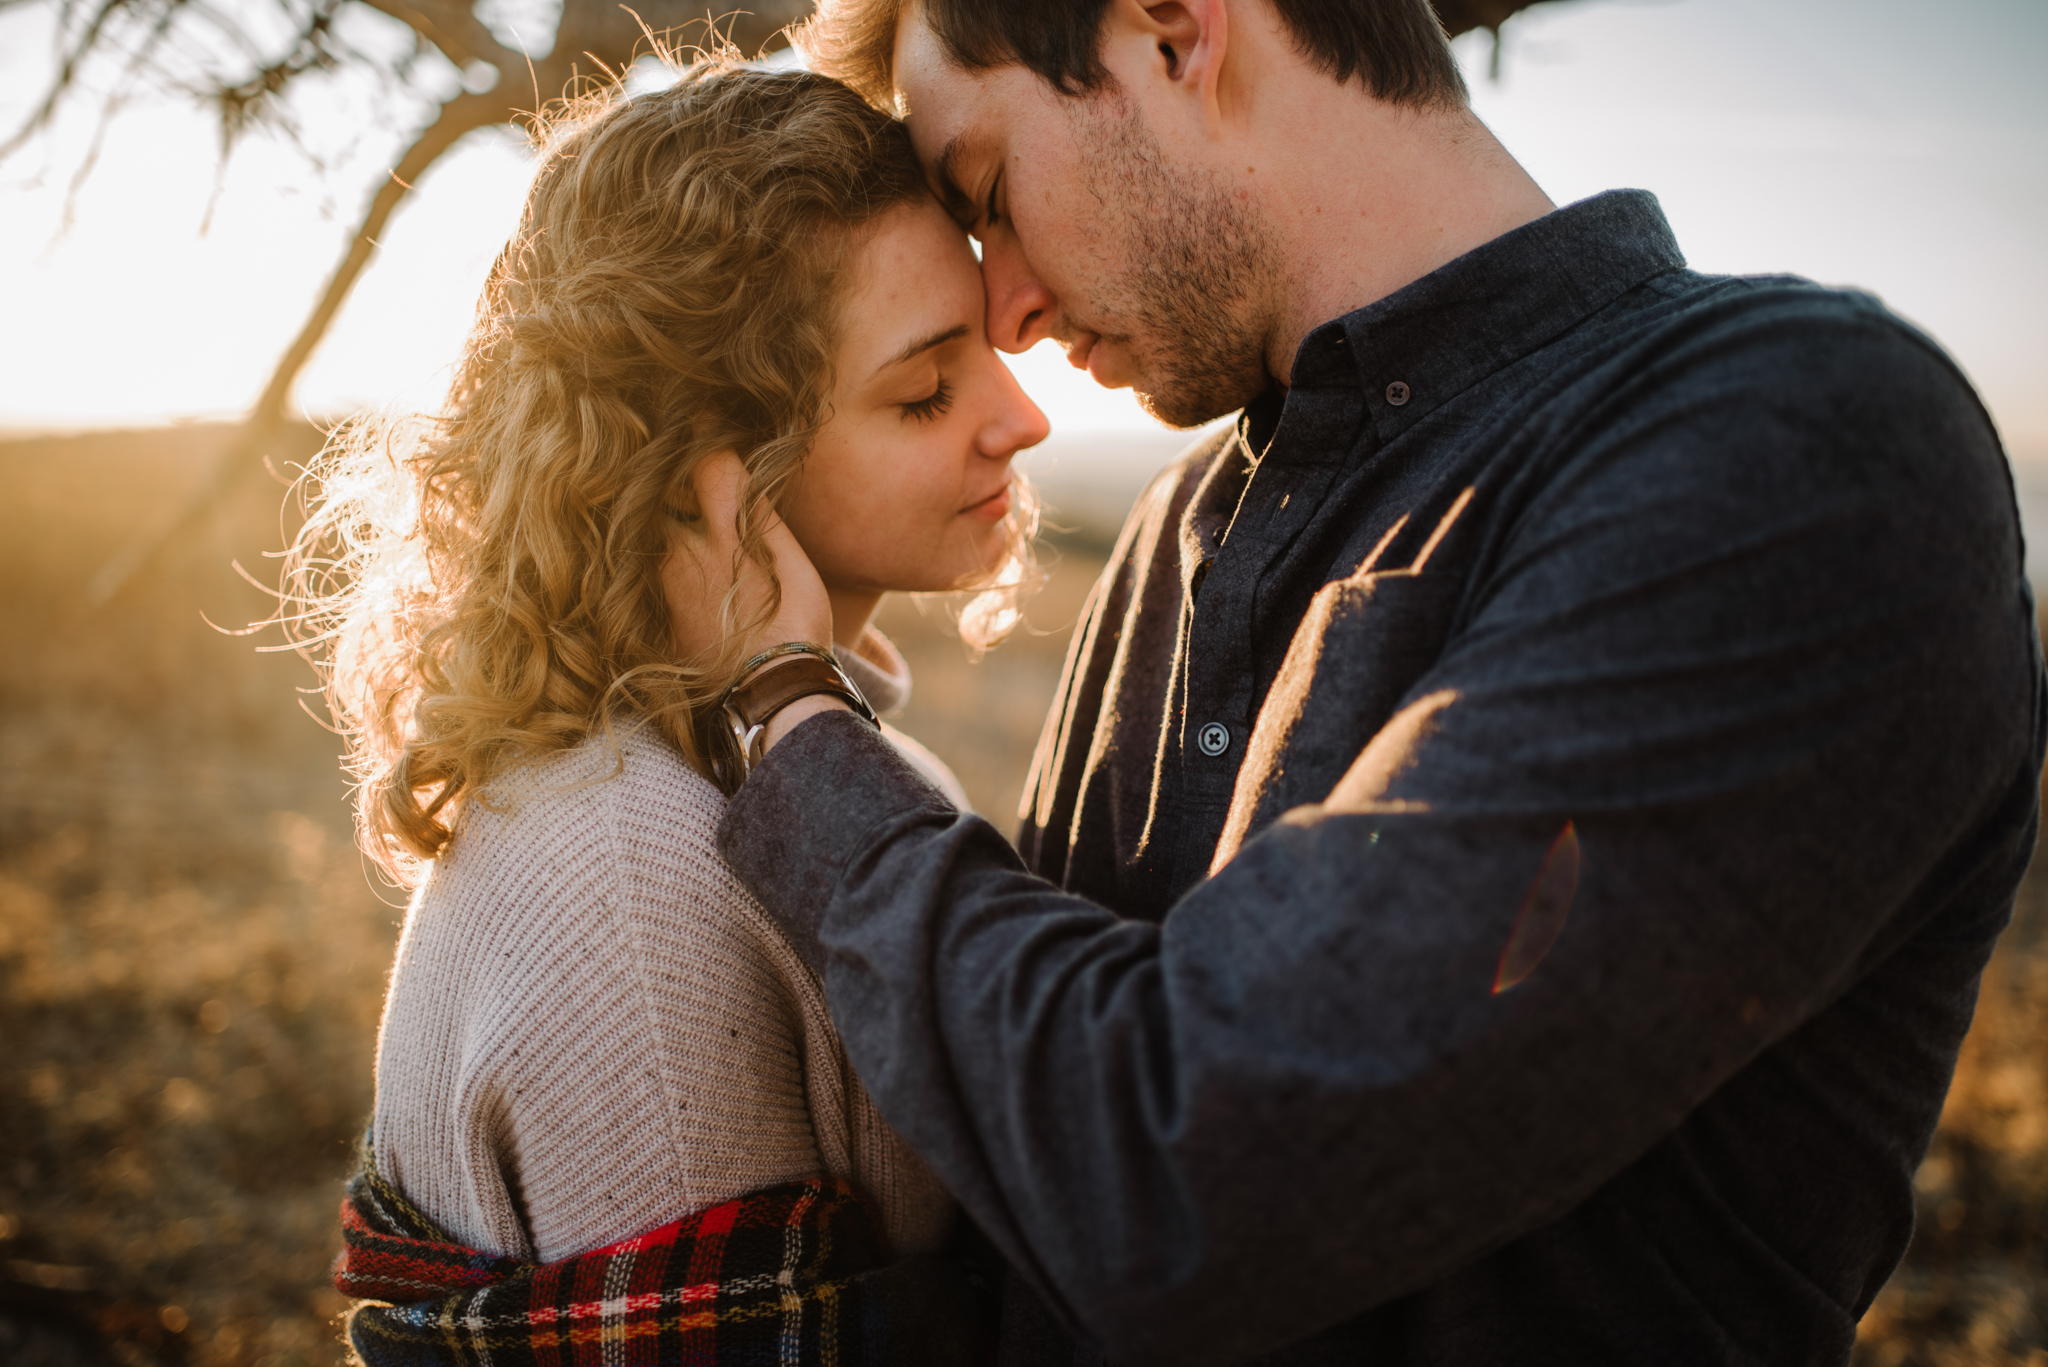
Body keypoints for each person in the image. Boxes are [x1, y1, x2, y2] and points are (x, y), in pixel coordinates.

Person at [667, 1, 2048, 1364]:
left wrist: (793, 721)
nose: (1009, 310)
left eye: (992, 192)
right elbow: (1021, 1208)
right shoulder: (1178, 528)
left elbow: (1194, 1182)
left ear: (1172, 29)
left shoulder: (1799, 443)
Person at [290, 59, 1048, 1363]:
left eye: (986, 351)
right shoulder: (625, 866)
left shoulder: (817, 759)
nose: (1022, 420)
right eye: (923, 391)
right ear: (707, 481)